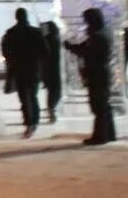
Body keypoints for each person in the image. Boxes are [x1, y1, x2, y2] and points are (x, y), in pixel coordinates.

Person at [64, 8, 116, 145]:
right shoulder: (100, 33)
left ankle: (100, 136)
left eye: (86, 20)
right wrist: (72, 47)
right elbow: (85, 49)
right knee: (104, 105)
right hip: (99, 72)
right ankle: (109, 133)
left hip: (97, 73)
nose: (85, 23)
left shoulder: (98, 36)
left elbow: (88, 52)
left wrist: (73, 48)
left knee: (99, 105)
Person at [1, 8, 47, 138]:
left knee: (24, 97)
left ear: (16, 17)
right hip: (33, 69)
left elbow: (5, 50)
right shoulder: (36, 32)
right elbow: (45, 50)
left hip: (19, 69)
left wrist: (12, 60)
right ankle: (35, 120)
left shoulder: (10, 33)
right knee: (33, 95)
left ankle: (29, 123)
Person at [42, 22, 62, 124]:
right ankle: (52, 110)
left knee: (52, 92)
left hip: (48, 70)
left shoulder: (45, 40)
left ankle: (51, 110)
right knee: (56, 92)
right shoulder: (54, 39)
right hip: (54, 70)